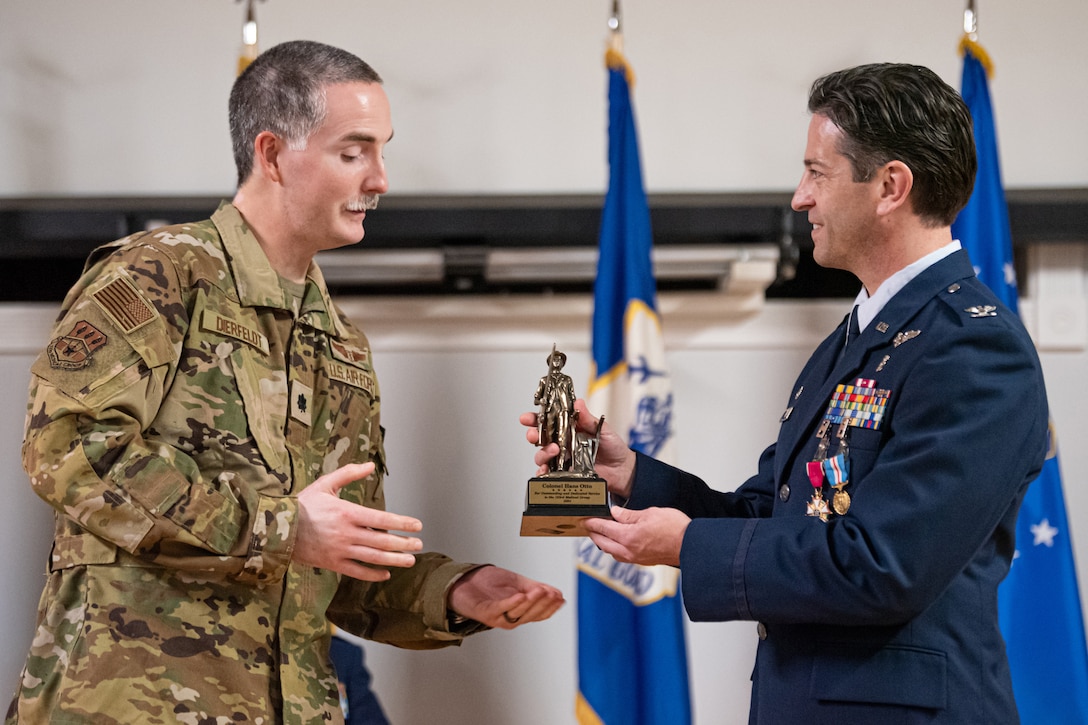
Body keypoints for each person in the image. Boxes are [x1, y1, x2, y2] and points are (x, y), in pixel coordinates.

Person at [7, 39, 563, 724]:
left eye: (382, 150)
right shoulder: (158, 277)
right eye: (353, 152)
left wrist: (454, 592)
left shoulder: (341, 343)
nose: (381, 178)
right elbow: (69, 449)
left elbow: (338, 562)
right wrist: (282, 527)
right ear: (272, 154)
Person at [524, 63, 1048, 724]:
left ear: (890, 186)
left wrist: (687, 546)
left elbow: (880, 565)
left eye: (817, 173)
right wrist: (633, 474)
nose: (800, 197)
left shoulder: (973, 350)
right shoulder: (860, 335)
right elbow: (775, 514)